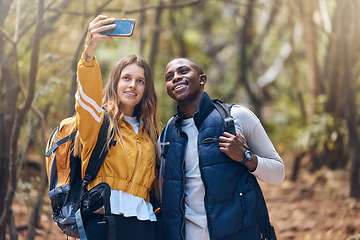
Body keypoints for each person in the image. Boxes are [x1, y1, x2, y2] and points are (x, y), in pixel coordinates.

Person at [159, 58, 285, 240]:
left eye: (183, 71)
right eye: (169, 77)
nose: (176, 77)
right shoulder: (167, 135)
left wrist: (245, 156)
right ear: (168, 90)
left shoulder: (237, 117)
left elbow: (278, 173)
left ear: (202, 79)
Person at [75, 15, 159, 240]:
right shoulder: (98, 122)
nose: (133, 85)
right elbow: (86, 100)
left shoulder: (150, 133)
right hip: (104, 223)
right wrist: (89, 54)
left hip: (145, 226)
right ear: (115, 83)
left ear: (146, 89)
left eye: (140, 81)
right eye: (126, 78)